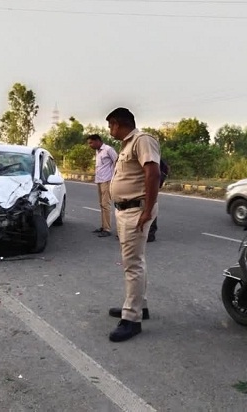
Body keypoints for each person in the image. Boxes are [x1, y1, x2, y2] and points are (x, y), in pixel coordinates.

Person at [106, 107, 160, 342]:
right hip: (126, 210)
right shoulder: (126, 145)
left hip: (136, 210)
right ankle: (139, 306)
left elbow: (153, 173)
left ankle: (131, 319)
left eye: (110, 125)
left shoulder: (142, 140)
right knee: (137, 261)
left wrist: (147, 210)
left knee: (132, 265)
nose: (109, 130)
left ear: (117, 123)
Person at [87, 134, 118, 238]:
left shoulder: (108, 149)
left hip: (107, 180)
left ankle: (107, 229)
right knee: (102, 204)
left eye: (91, 143)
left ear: (97, 141)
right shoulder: (98, 151)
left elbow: (117, 163)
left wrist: (115, 178)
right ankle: (103, 226)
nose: (90, 145)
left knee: (106, 205)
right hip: (99, 180)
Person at [147, 159, 169, 242]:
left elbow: (162, 170)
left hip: (151, 183)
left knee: (151, 205)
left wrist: (158, 183)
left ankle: (150, 233)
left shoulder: (152, 157)